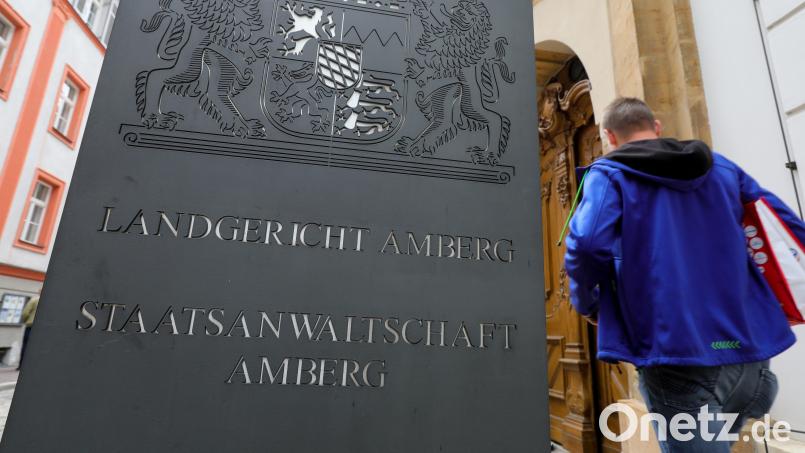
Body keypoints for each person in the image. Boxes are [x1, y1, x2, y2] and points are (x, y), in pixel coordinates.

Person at [564, 97, 800, 452]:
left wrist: (588, 302)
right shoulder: (722, 168)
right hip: (751, 358)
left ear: (610, 136)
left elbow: (585, 244)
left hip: (675, 354)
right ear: (656, 127)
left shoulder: (610, 174)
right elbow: (784, 225)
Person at [19, 296, 38, 368]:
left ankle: (21, 365)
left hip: (30, 326)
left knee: (26, 346)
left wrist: (25, 321)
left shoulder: (34, 300)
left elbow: (25, 313)